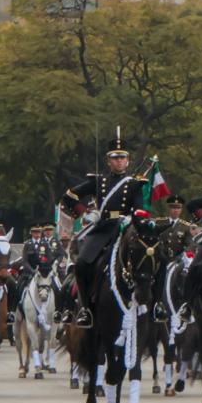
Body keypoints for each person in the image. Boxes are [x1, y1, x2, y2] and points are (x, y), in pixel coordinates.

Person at [61, 137, 144, 325]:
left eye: (123, 158)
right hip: (102, 229)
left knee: (149, 259)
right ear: (108, 161)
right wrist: (85, 214)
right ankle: (85, 309)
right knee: (82, 264)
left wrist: (132, 218)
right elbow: (69, 196)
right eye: (115, 158)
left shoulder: (134, 184)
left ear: (128, 160)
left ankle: (154, 306)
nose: (119, 161)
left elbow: (139, 209)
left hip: (126, 230)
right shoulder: (99, 181)